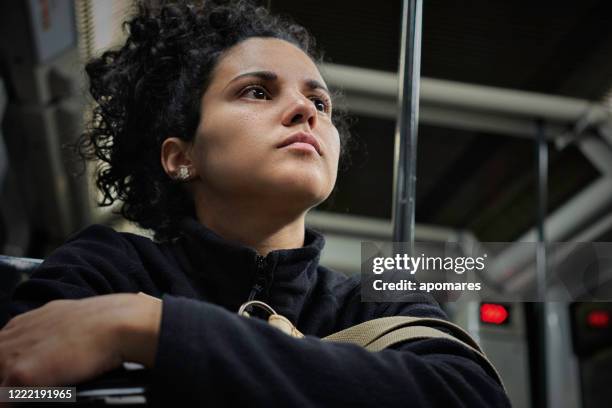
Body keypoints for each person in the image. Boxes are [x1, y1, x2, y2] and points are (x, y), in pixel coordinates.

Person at [0, 0, 510, 406]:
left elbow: (470, 396)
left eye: (320, 102)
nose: (304, 111)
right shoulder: (106, 267)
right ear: (182, 157)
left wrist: (150, 329)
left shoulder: (381, 304)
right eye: (258, 92)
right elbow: (24, 386)